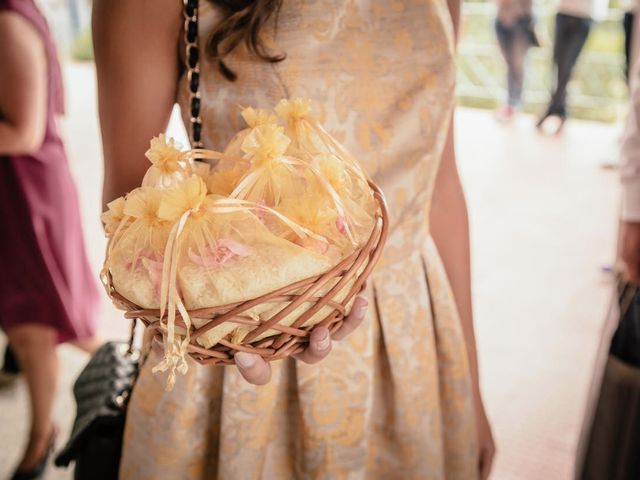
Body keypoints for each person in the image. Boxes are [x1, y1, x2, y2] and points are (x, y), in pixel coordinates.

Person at [93, 0, 495, 478]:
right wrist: (237, 327)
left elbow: (440, 186)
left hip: (414, 341)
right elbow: (130, 215)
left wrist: (468, 383)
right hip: (249, 343)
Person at [0, 0, 101, 478]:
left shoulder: (7, 22)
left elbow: (23, 131)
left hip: (27, 195)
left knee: (37, 321)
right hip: (14, 191)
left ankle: (40, 442)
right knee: (32, 317)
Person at [537, 0, 609, 134]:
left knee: (567, 66)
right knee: (557, 63)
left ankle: (554, 108)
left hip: (585, 14)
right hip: (563, 10)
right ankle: (559, 109)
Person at [495, 0, 538, 121]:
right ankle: (509, 103)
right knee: (508, 65)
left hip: (522, 20)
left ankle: (513, 104)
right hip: (501, 19)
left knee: (518, 66)